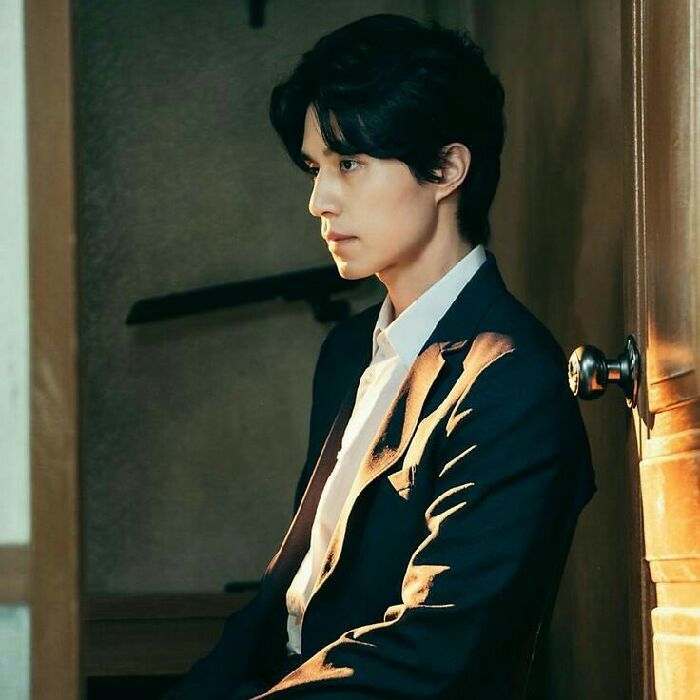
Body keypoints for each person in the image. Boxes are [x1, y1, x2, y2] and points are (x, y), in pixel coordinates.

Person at [164, 13, 596, 699]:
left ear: (446, 169)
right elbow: (285, 596)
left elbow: (434, 653)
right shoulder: (348, 352)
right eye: (315, 168)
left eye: (350, 164)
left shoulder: (511, 380)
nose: (319, 201)